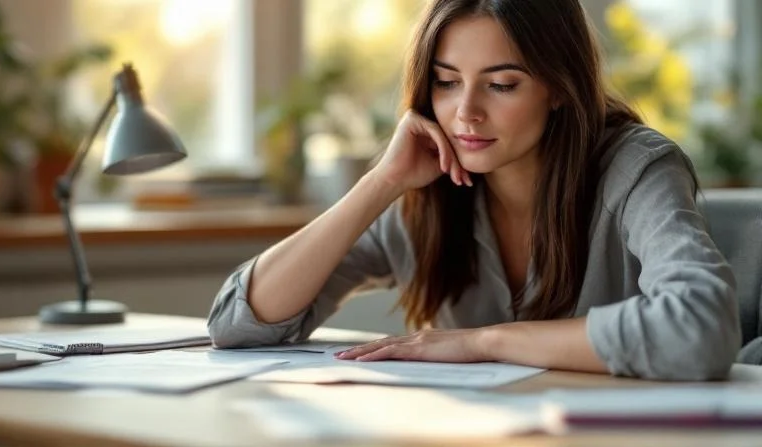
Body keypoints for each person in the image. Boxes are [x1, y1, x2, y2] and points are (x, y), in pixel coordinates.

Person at [207, 0, 741, 380]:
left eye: (502, 84)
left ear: (558, 87)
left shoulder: (636, 169)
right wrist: (380, 182)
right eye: (446, 81)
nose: (466, 113)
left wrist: (483, 341)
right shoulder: (429, 187)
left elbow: (700, 328)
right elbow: (237, 324)